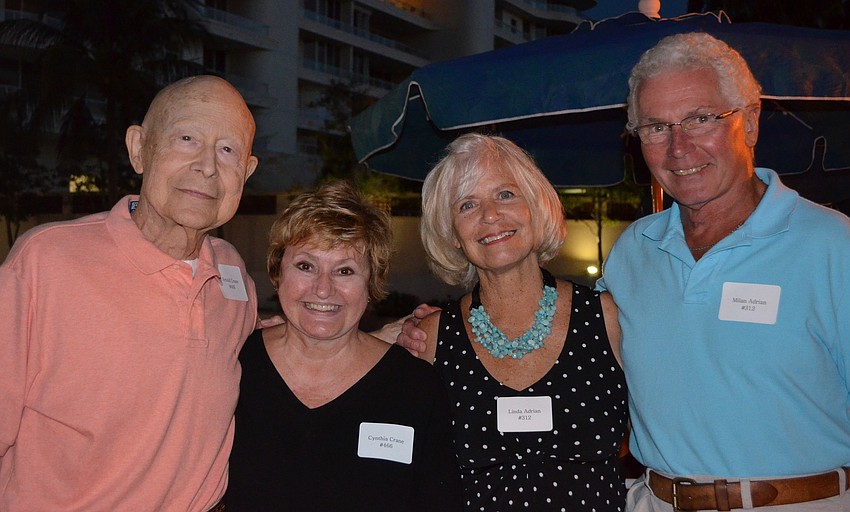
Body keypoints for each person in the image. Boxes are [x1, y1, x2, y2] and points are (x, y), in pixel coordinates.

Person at [597, 33, 850, 511]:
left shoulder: (834, 247)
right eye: (655, 127)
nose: (678, 148)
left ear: (750, 123)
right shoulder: (633, 250)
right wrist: (432, 330)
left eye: (700, 119)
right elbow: (573, 345)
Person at [0, 75, 259, 510]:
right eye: (188, 138)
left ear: (246, 172)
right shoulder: (46, 261)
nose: (208, 166)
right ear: (139, 148)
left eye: (228, 149)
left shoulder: (233, 274)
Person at [414, 133, 628, 511]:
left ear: (537, 205)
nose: (490, 215)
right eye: (467, 205)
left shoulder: (607, 318)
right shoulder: (432, 339)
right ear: (452, 235)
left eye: (505, 194)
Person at [224, 180, 462, 511]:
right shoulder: (234, 367)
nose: (323, 289)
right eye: (306, 266)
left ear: (372, 283)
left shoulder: (415, 388)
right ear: (278, 272)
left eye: (345, 271)